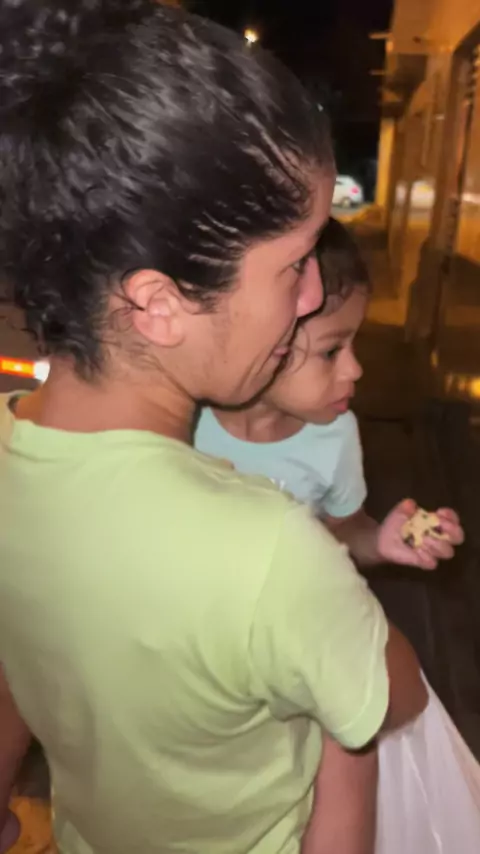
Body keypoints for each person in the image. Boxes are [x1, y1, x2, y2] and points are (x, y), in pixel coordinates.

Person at [0, 4, 427, 854]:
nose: (312, 296)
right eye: (294, 264)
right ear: (159, 303)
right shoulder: (267, 550)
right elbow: (396, 696)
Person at [194, 218, 464, 853]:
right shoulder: (185, 424)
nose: (356, 370)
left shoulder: (334, 435)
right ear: (265, 340)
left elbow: (342, 529)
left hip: (296, 655)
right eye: (331, 350)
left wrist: (381, 540)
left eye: (354, 344)